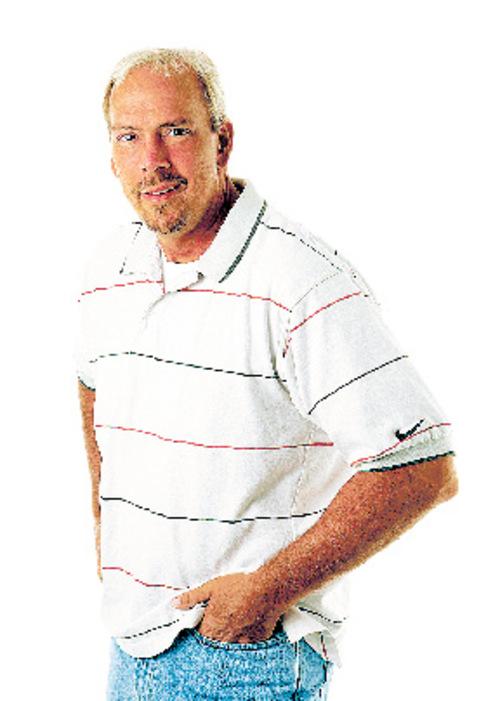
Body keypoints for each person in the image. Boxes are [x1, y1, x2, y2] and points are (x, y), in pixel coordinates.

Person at [76, 48, 458, 700]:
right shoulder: (109, 269)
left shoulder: (299, 279)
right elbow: (93, 384)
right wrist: (106, 532)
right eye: (129, 137)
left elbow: (421, 464)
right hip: (130, 642)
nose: (152, 160)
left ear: (222, 141)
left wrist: (262, 594)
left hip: (245, 658)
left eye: (175, 131)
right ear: (111, 156)